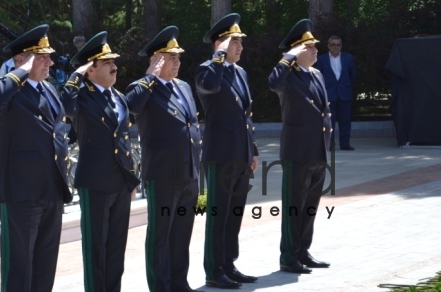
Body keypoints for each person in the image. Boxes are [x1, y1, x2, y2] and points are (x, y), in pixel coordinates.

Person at [0, 24, 72, 292]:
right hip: (21, 192)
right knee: (19, 266)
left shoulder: (48, 90)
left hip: (51, 188)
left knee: (45, 265)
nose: (50, 62)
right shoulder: (8, 88)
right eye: (42, 57)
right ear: (23, 59)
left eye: (48, 56)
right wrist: (18, 70)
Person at [61, 32, 139, 292]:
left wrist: (131, 179)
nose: (114, 66)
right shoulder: (82, 96)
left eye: (113, 61)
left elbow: (124, 141)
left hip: (119, 182)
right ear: (91, 70)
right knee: (96, 248)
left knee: (116, 247)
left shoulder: (119, 97)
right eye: (106, 63)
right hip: (95, 182)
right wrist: (76, 75)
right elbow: (65, 108)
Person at [126, 26, 202, 292]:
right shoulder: (143, 87)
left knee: (182, 233)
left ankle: (179, 282)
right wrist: (150, 77)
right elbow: (131, 107)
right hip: (163, 173)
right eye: (171, 58)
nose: (177, 63)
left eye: (178, 58)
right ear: (155, 59)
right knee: (161, 234)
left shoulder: (183, 86)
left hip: (189, 172)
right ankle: (160, 285)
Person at [195, 14, 258, 289]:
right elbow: (209, 86)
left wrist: (253, 150)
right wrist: (219, 57)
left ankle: (229, 264)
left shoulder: (240, 72)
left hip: (241, 153)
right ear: (220, 44)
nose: (241, 47)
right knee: (219, 214)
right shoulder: (207, 69)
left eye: (241, 42)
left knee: (234, 213)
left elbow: (246, 115)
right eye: (234, 42)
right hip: (220, 154)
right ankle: (213, 269)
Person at [268, 19, 332, 274]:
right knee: (295, 205)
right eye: (310, 46)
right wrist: (288, 57)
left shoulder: (316, 74)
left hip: (318, 150)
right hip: (297, 151)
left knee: (310, 206)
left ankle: (303, 251)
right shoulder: (288, 76)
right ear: (297, 51)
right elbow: (273, 83)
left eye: (316, 46)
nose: (316, 49)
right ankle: (288, 256)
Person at [315, 36, 356, 150]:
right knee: (329, 121)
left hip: (345, 93)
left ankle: (345, 144)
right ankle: (330, 143)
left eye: (338, 44)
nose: (336, 47)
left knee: (345, 120)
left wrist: (345, 85)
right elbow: (318, 76)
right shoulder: (322, 59)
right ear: (328, 46)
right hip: (329, 93)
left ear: (341, 46)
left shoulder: (348, 58)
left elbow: (352, 75)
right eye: (333, 44)